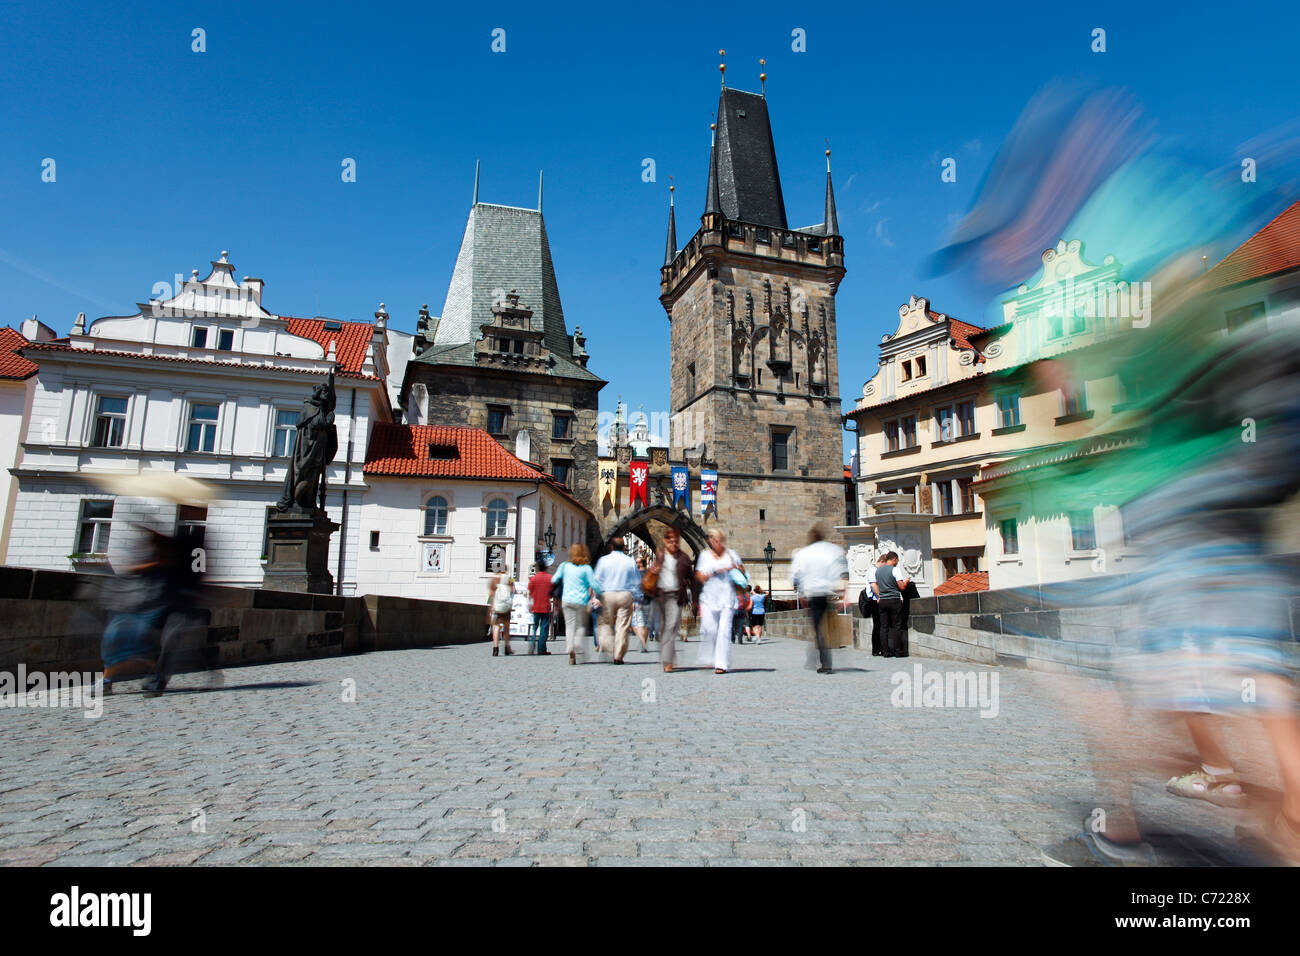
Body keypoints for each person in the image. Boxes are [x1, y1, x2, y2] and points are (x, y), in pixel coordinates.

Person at [791, 524, 849, 674]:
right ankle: (820, 657)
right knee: (826, 626)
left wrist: (801, 592)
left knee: (818, 627)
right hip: (827, 593)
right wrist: (844, 595)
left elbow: (796, 575)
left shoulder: (803, 553)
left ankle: (821, 660)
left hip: (813, 594)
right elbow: (842, 572)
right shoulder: (831, 550)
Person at [695, 528, 744, 674]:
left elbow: (742, 572)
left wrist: (734, 568)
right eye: (712, 539)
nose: (714, 542)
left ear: (722, 540)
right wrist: (716, 571)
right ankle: (711, 656)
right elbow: (699, 577)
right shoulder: (705, 556)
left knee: (724, 630)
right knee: (711, 629)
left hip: (727, 597)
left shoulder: (732, 554)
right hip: (710, 598)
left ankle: (721, 664)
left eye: (717, 539)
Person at [650, 527, 697, 672]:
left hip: (677, 596)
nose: (673, 543)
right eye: (670, 540)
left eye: (676, 541)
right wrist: (653, 572)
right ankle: (670, 657)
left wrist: (695, 599)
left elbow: (692, 579)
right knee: (664, 629)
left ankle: (667, 662)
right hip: (661, 596)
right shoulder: (660, 556)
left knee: (670, 628)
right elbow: (651, 577)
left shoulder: (684, 558)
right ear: (665, 541)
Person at [551, 543, 602, 665]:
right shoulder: (586, 568)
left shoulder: (564, 566)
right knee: (580, 626)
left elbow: (553, 579)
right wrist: (601, 593)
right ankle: (577, 644)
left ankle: (570, 648)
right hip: (581, 601)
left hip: (567, 600)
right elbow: (594, 585)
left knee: (569, 625)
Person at [593, 536, 639, 664]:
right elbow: (636, 582)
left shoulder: (603, 560)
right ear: (624, 547)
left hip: (607, 595)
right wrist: (636, 597)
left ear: (611, 547)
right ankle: (618, 655)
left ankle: (608, 647)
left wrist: (596, 597)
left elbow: (597, 580)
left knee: (605, 624)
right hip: (625, 595)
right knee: (623, 626)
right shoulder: (630, 561)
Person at [872, 551, 910, 659]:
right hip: (894, 599)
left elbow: (876, 585)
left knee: (884, 627)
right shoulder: (895, 569)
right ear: (894, 559)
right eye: (897, 560)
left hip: (882, 600)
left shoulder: (878, 571)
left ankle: (885, 651)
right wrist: (906, 582)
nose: (897, 563)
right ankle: (898, 651)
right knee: (896, 626)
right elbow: (901, 587)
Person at [858, 554, 888, 656]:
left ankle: (878, 649)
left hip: (877, 600)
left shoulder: (875, 570)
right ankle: (876, 649)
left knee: (879, 625)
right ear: (883, 562)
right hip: (875, 601)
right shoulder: (873, 570)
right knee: (878, 625)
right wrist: (880, 596)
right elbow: (873, 584)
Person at [527, 557, 553, 656]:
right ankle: (541, 649)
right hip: (545, 606)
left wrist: (530, 603)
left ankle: (532, 642)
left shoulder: (534, 579)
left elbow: (530, 592)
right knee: (544, 628)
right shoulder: (549, 578)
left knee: (534, 627)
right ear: (545, 567)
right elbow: (551, 592)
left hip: (536, 606)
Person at [487, 573, 515, 656]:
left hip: (497, 606)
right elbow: (512, 590)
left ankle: (495, 649)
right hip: (506, 607)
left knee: (496, 627)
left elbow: (490, 593)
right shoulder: (509, 578)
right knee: (506, 627)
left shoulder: (494, 579)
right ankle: (507, 648)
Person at [631, 556, 651, 653]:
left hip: (638, 600)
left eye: (636, 562)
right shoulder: (649, 573)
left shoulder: (635, 574)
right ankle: (644, 643)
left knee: (635, 624)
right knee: (646, 624)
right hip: (649, 600)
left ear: (640, 563)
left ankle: (643, 642)